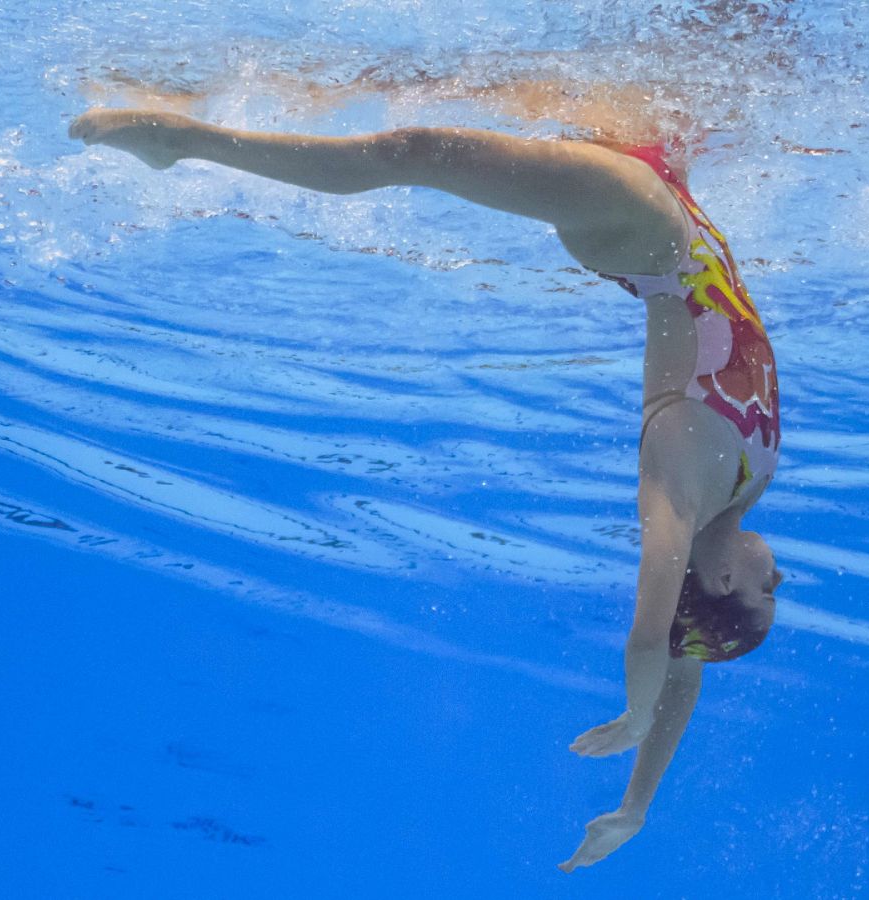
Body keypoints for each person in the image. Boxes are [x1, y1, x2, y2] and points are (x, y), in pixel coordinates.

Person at [67, 107, 784, 871]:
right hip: (670, 196)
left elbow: (654, 637)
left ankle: (183, 143)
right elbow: (685, 663)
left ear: (724, 577)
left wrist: (635, 715)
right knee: (591, 97)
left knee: (414, 150)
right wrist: (637, 805)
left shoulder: (679, 476)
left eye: (770, 592)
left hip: (647, 232)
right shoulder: (744, 487)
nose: (781, 577)